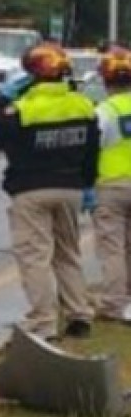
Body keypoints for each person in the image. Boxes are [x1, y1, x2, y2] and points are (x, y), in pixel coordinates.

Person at [0, 43, 99, 341]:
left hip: (30, 190)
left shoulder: (22, 109)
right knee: (67, 253)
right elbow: (92, 151)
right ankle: (79, 315)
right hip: (71, 189)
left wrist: (1, 100)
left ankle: (43, 322)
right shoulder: (83, 105)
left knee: (35, 257)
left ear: (30, 75)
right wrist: (86, 184)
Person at [89, 51, 131, 323]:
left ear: (106, 81)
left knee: (112, 247)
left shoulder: (104, 111)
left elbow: (92, 147)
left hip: (111, 186)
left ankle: (115, 305)